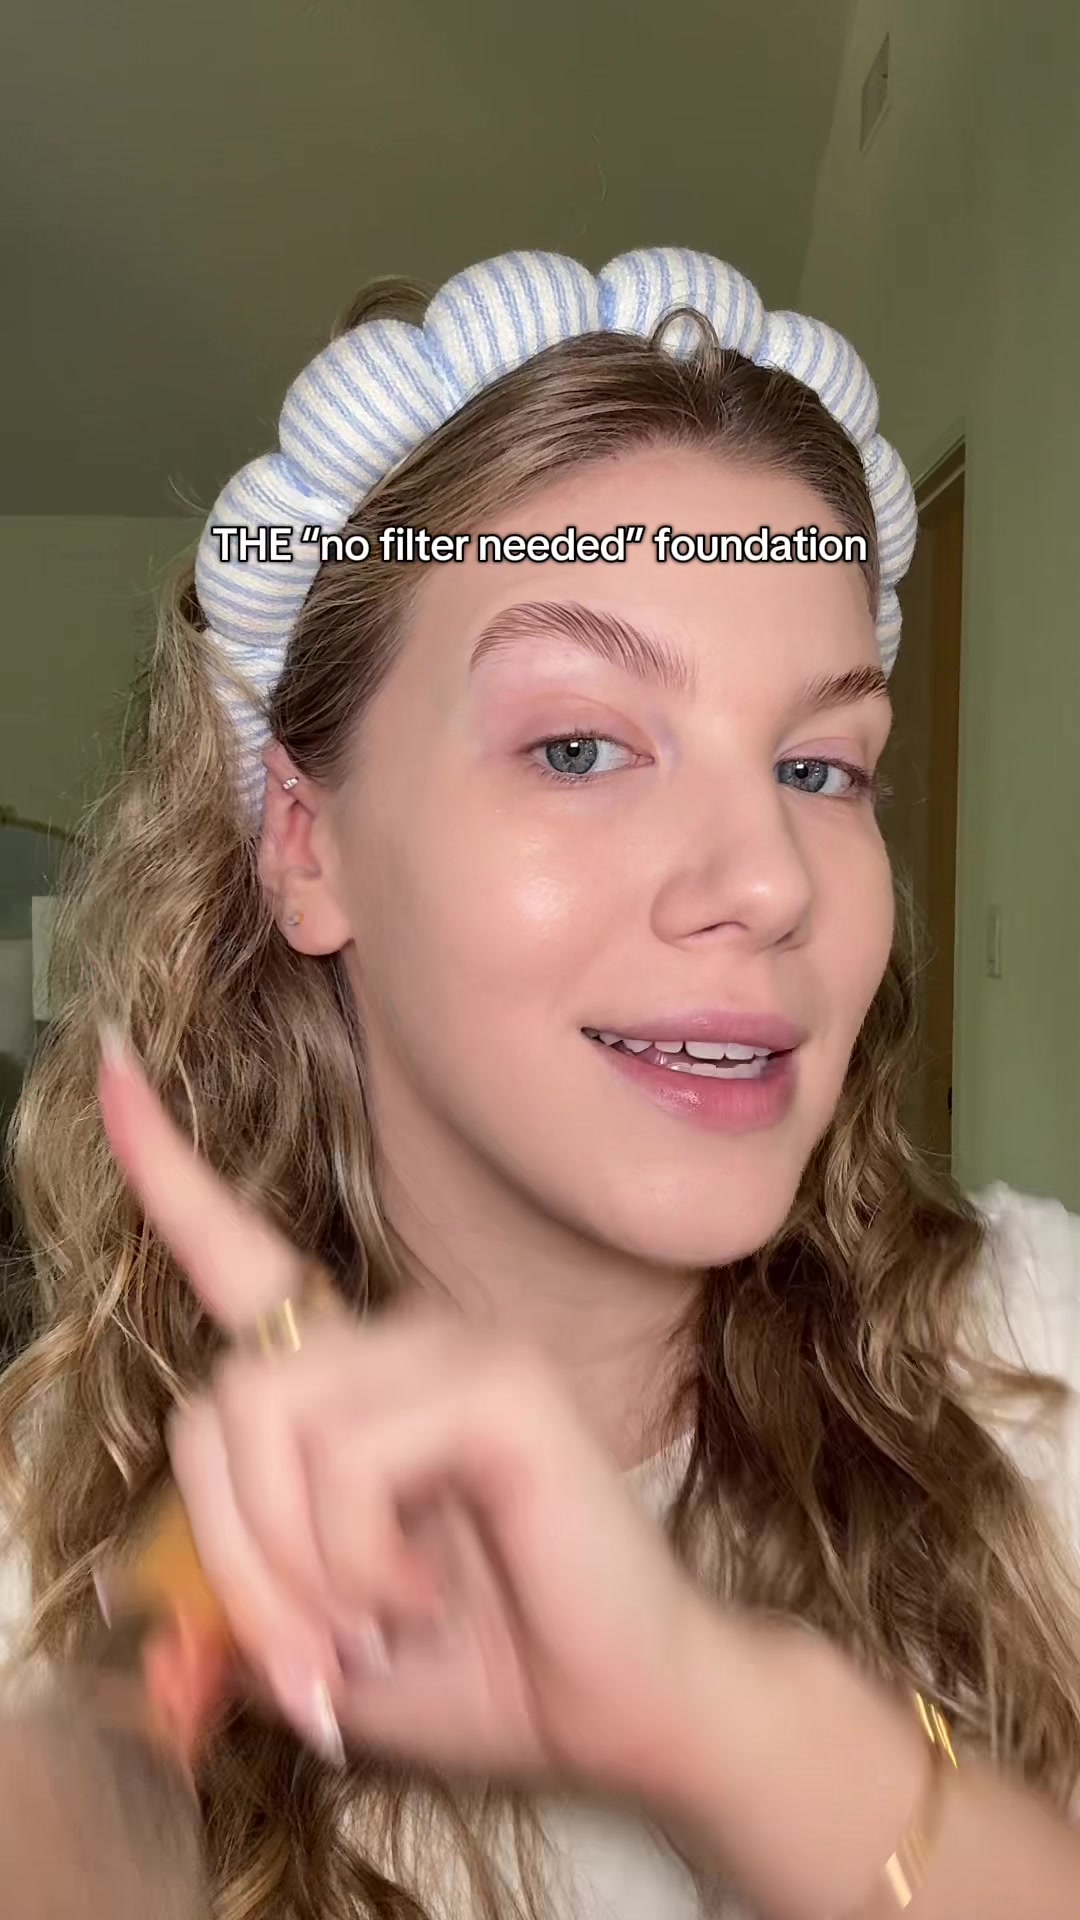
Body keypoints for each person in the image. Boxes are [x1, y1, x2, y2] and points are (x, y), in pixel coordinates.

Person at [0, 247, 1078, 1920]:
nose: (768, 878)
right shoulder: (40, 1547)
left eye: (820, 766)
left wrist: (731, 1728)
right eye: (579, 747)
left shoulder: (1041, 1364)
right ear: (306, 843)